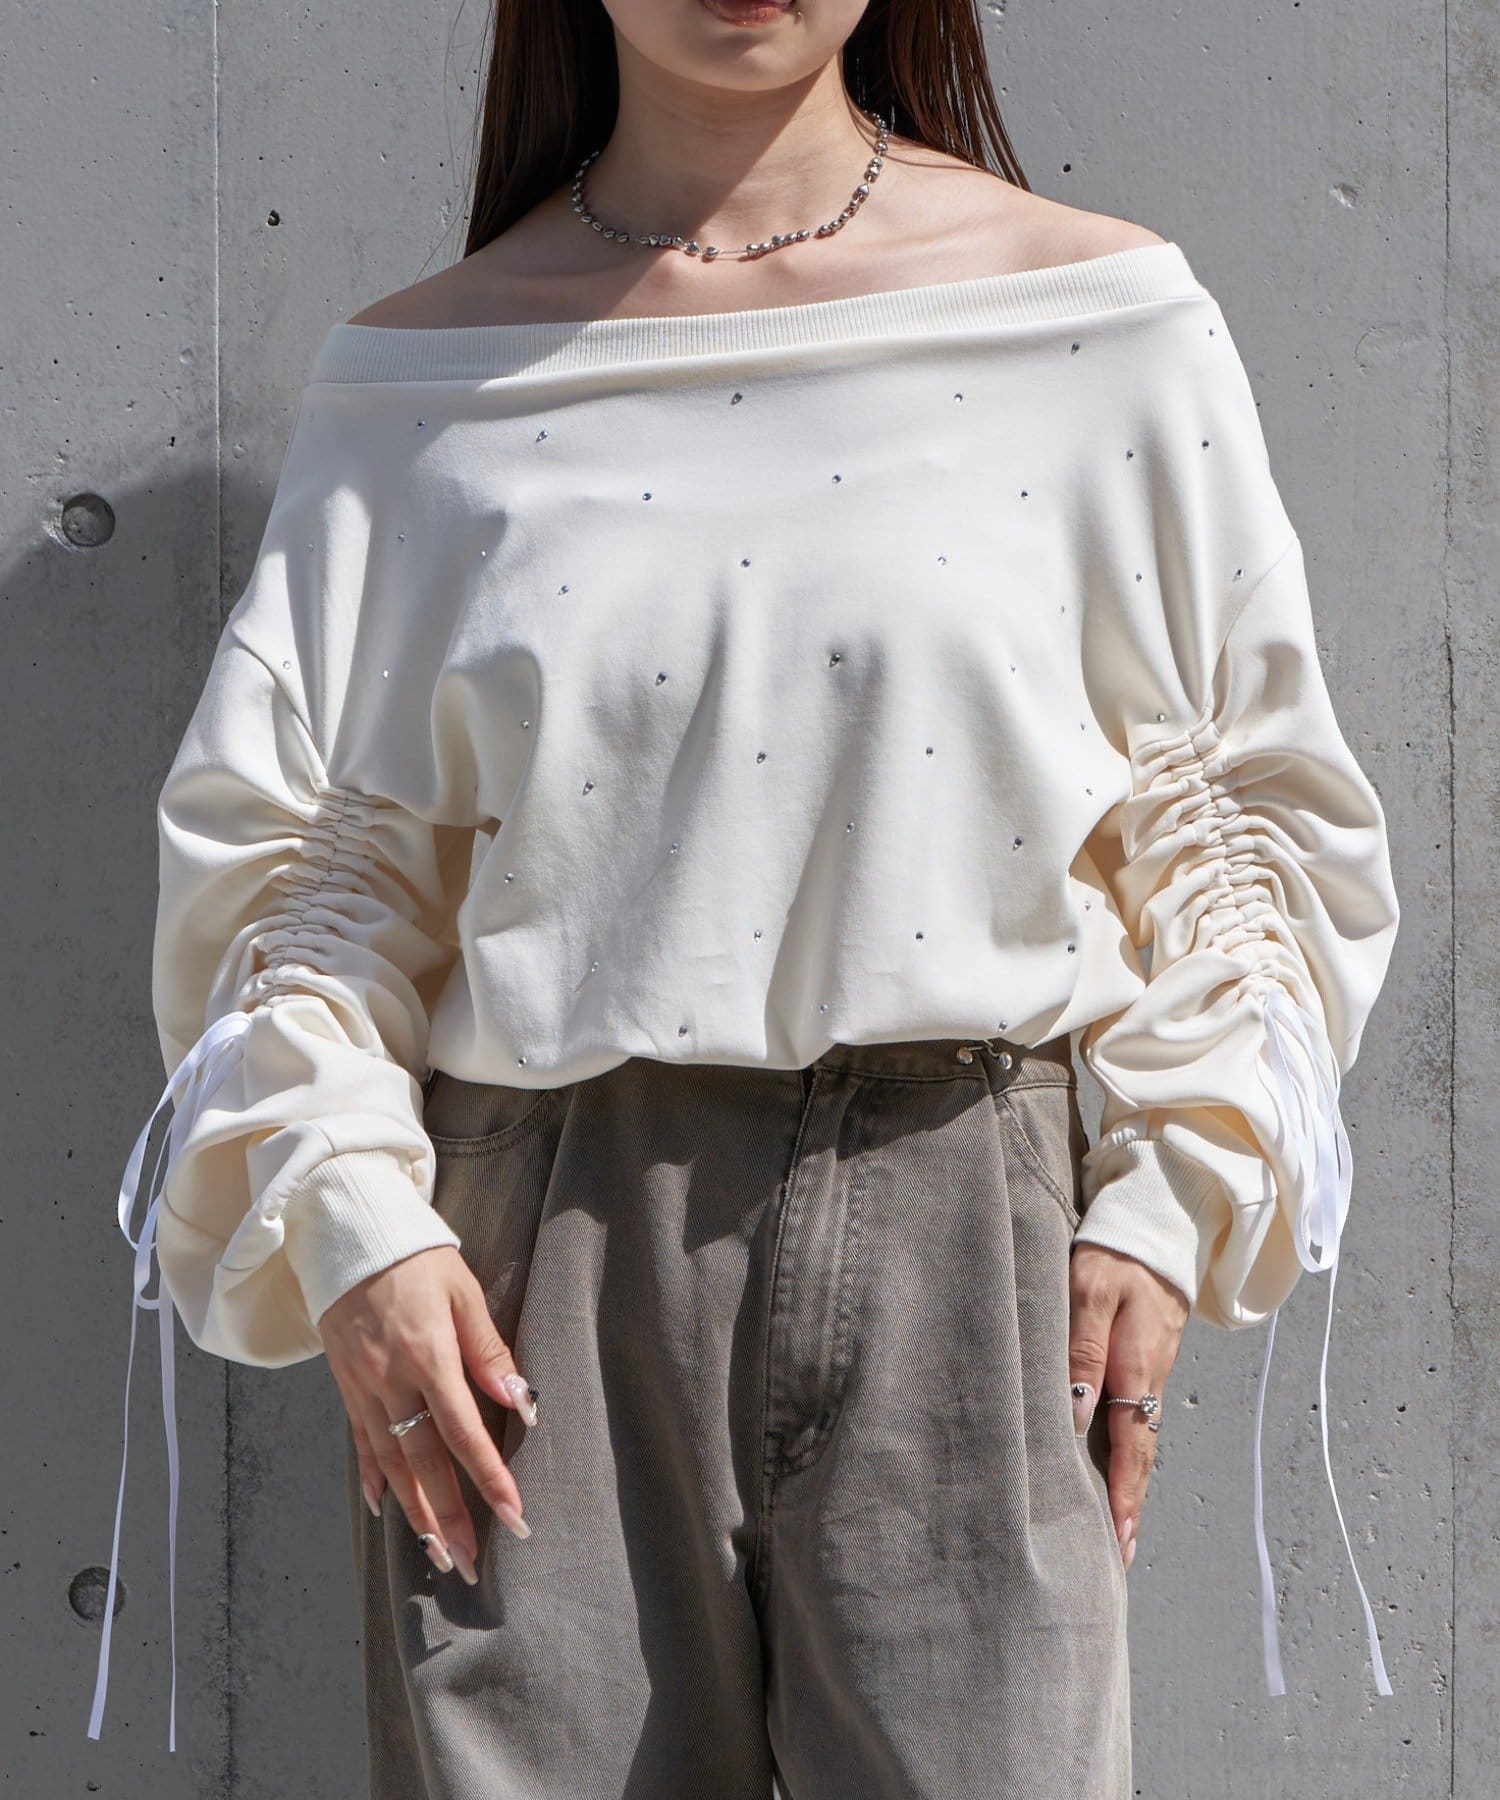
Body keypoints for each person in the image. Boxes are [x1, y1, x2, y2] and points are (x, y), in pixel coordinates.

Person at [86, 1, 1403, 1793]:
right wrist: (358, 1229)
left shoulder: (1094, 323)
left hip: (969, 1227)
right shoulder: (426, 375)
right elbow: (311, 866)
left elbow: (1239, 805)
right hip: (541, 1259)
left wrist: (1172, 1205)